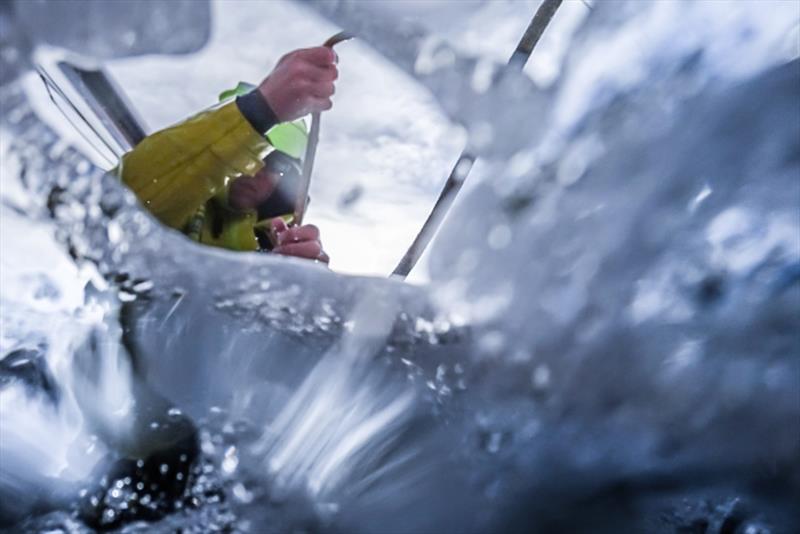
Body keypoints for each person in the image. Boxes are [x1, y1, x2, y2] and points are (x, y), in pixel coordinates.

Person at [117, 46, 338, 262]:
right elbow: (119, 203)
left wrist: (305, 283)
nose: (256, 169)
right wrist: (260, 110)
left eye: (277, 163)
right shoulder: (174, 205)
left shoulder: (282, 248)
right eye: (248, 152)